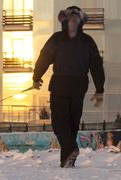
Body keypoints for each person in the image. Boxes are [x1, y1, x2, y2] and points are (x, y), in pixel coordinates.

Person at [32, 6, 105, 168]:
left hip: (62, 84)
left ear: (79, 22)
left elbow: (44, 58)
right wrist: (37, 77)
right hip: (77, 85)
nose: (72, 23)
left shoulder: (60, 39)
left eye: (75, 20)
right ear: (65, 21)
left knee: (60, 122)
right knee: (71, 123)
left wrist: (36, 78)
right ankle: (67, 160)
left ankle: (71, 150)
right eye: (71, 19)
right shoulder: (86, 41)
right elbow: (96, 66)